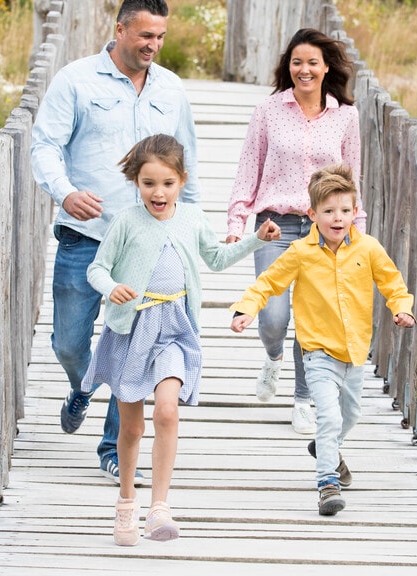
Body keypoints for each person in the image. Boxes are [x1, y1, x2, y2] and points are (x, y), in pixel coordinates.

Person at [30, 0, 200, 486]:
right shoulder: (76, 80)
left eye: (160, 36)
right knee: (68, 341)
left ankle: (112, 448)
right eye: (145, 35)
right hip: (88, 234)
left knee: (133, 348)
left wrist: (196, 225)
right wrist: (65, 192)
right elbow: (45, 144)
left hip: (151, 244)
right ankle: (82, 384)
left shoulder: (171, 88)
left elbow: (186, 159)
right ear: (120, 29)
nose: (153, 45)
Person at [83, 134, 280, 545]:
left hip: (175, 327)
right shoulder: (126, 222)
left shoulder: (191, 219)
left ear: (182, 181)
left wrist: (256, 239)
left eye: (168, 183)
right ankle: (126, 502)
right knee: (132, 427)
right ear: (136, 182)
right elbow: (97, 269)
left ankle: (159, 507)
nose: (159, 192)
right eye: (149, 183)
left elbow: (217, 258)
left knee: (167, 412)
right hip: (132, 329)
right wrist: (112, 287)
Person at [229, 164, 414, 517]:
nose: (338, 218)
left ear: (355, 212)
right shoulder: (300, 252)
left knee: (350, 414)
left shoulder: (369, 249)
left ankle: (326, 448)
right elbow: (268, 283)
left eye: (345, 211)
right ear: (313, 214)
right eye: (329, 211)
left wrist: (401, 307)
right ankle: (327, 483)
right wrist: (246, 309)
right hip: (317, 352)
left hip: (356, 351)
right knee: (327, 416)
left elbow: (393, 284)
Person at [225, 28, 366, 435]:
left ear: (326, 69)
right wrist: (237, 222)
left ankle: (304, 398)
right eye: (297, 62)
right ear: (289, 67)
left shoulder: (346, 116)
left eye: (312, 63)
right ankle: (272, 359)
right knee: (273, 316)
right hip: (275, 223)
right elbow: (249, 167)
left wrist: (355, 231)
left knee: (310, 320)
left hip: (326, 231)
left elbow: (353, 179)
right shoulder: (268, 110)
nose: (304, 70)